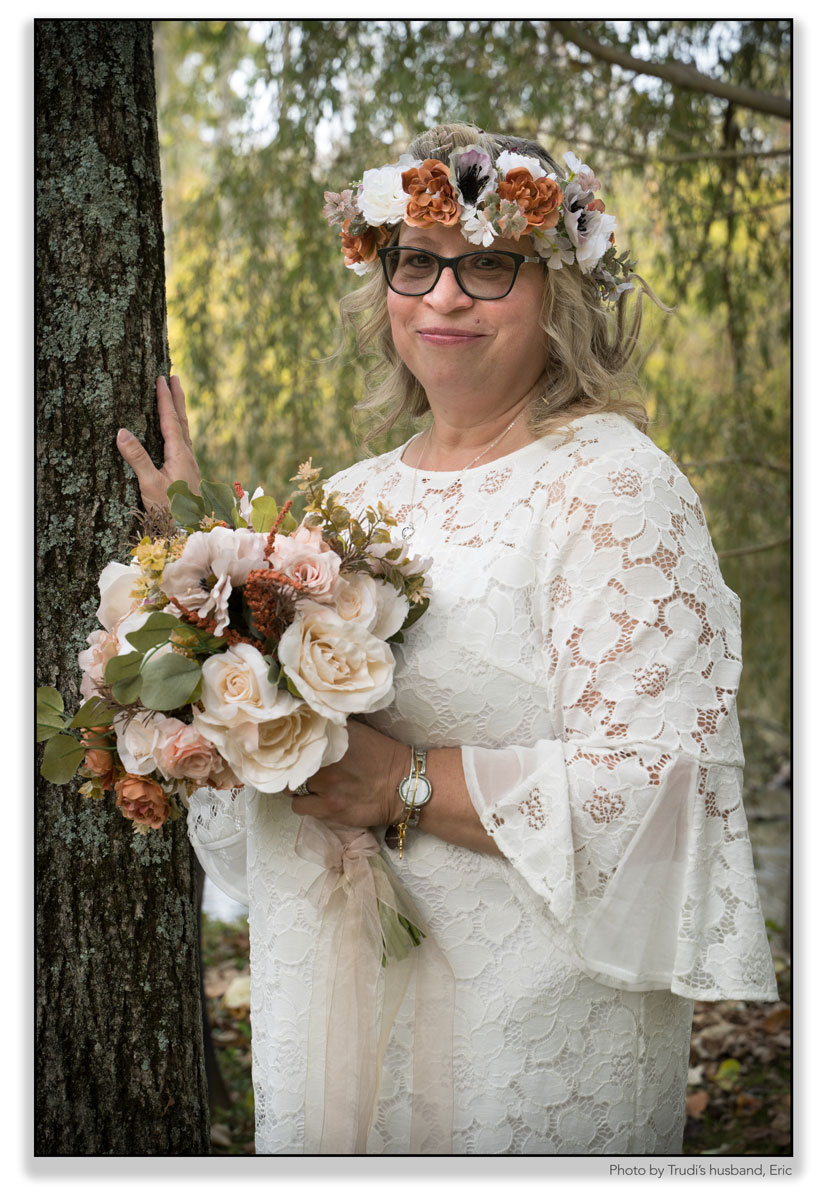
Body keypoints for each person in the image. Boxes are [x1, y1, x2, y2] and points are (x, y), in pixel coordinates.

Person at [117, 122, 777, 1155]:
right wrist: (203, 584)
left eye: (489, 264)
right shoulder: (341, 501)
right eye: (416, 260)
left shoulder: (614, 487)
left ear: (559, 287)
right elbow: (256, 785)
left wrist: (403, 784)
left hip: (522, 1041)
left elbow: (663, 787)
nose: (442, 295)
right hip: (334, 1029)